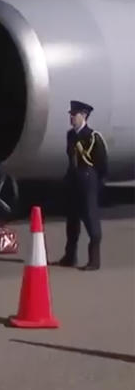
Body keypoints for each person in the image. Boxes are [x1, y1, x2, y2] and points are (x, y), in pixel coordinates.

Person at [57, 100, 109, 271]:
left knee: (91, 221)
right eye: (71, 115)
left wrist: (95, 183)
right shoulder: (70, 135)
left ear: (84, 116)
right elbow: (70, 159)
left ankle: (94, 260)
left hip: (87, 183)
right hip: (73, 183)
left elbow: (101, 164)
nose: (71, 118)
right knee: (72, 222)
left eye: (74, 115)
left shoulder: (93, 137)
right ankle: (69, 256)